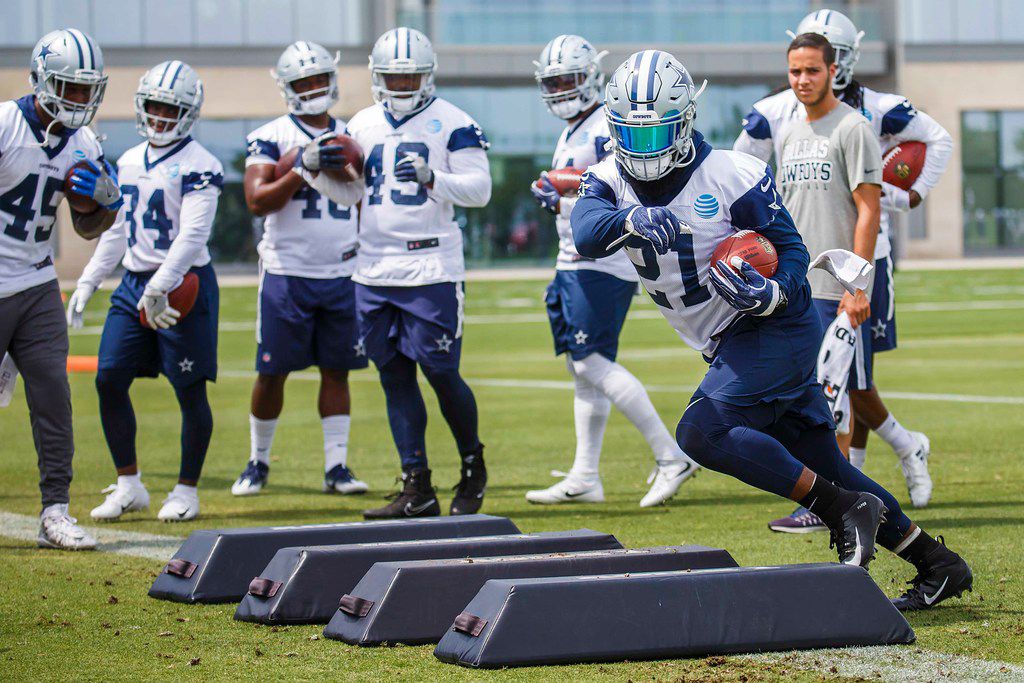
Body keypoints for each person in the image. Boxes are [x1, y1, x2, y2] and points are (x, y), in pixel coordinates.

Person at [571, 49, 972, 611]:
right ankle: (937, 562)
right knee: (827, 462)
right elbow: (586, 231)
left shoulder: (732, 174)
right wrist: (629, 218)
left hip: (772, 327)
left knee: (701, 432)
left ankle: (837, 509)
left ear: (684, 121)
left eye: (656, 133)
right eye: (631, 138)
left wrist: (773, 291)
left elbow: (792, 258)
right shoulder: (609, 179)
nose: (644, 151)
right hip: (727, 341)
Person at [735, 9, 953, 517]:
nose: (804, 78)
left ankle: (845, 496)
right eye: (796, 70)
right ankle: (891, 457)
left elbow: (883, 192)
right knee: (834, 386)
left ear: (835, 67)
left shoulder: (865, 118)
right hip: (799, 275)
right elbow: (743, 172)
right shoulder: (779, 118)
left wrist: (909, 196)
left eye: (815, 68)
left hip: (854, 269)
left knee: (840, 386)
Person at [526, 34, 698, 507]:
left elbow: (625, 181)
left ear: (592, 77)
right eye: (554, 81)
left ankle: (671, 455)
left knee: (590, 361)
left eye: (569, 79)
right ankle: (586, 475)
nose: (561, 89)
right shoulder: (573, 128)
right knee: (580, 369)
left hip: (603, 259)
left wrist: (564, 192)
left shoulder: (606, 122)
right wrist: (560, 198)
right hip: (575, 257)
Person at [343, 28, 491, 518]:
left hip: (430, 265)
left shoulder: (454, 122)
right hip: (374, 265)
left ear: (428, 75)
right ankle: (417, 485)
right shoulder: (361, 123)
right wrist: (309, 168)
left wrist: (434, 178)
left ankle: (473, 464)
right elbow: (348, 196)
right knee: (393, 375)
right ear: (377, 76)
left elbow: (480, 190)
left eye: (410, 75)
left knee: (442, 372)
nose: (402, 84)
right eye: (393, 75)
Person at [68, 61, 221, 522]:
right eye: (153, 105)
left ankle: (186, 490)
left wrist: (159, 287)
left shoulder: (202, 165)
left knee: (189, 389)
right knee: (108, 377)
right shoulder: (130, 160)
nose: (158, 116)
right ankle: (129, 484)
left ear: (189, 112)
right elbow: (117, 231)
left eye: (169, 108)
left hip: (183, 284)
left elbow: (192, 237)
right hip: (136, 281)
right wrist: (90, 279)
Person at [0, 29, 122, 549]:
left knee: (53, 394)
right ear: (41, 79)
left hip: (36, 282)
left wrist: (102, 203)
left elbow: (87, 229)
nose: (78, 100)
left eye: (85, 89)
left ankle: (55, 510)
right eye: (68, 88)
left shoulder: (84, 142)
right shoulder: (5, 124)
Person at [231, 41, 369, 498]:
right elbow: (256, 201)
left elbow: (366, 197)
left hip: (342, 272)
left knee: (337, 370)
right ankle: (258, 461)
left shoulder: (355, 131)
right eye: (302, 83)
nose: (312, 89)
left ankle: (337, 467)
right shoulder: (271, 135)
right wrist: (300, 169)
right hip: (287, 273)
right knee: (272, 372)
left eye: (317, 80)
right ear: (287, 88)